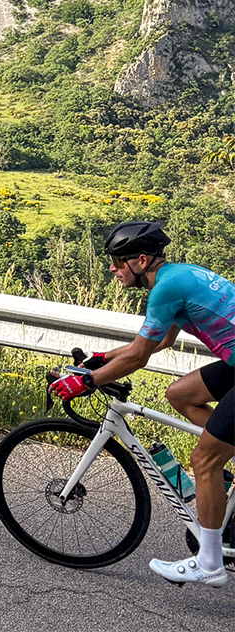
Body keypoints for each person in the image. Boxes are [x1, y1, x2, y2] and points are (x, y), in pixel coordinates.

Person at [49, 220, 234, 587]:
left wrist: (86, 381)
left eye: (118, 262)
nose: (112, 269)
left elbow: (138, 358)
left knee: (203, 460)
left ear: (141, 260)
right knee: (180, 394)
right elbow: (158, 342)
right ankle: (224, 456)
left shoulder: (165, 289)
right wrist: (102, 359)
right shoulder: (178, 276)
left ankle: (210, 563)